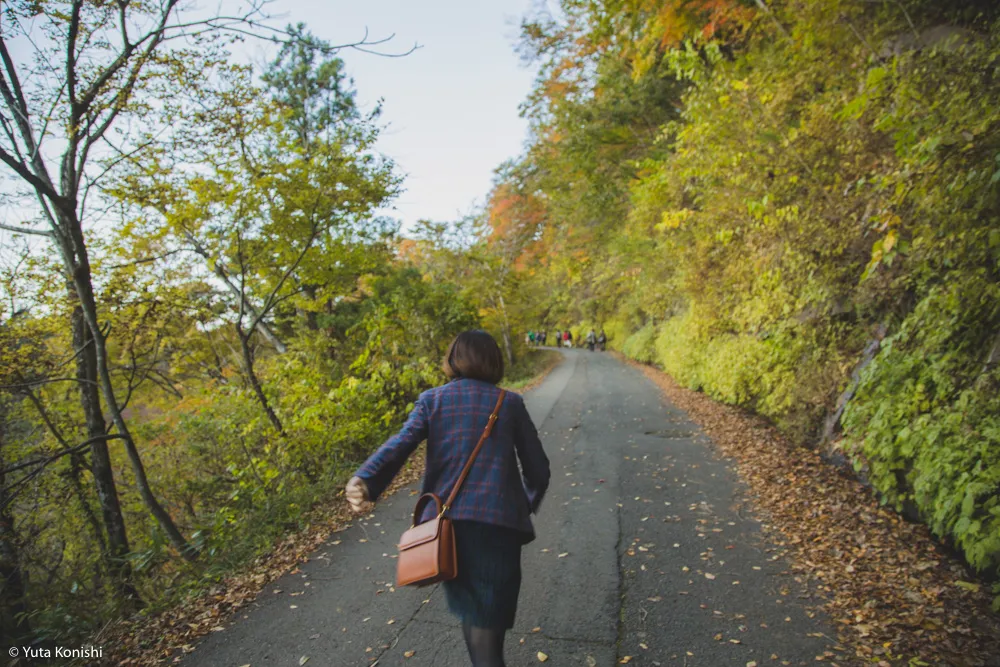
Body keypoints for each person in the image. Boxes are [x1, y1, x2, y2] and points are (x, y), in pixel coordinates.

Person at [345, 330, 550, 667]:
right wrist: (522, 503)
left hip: (448, 530)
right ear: (494, 362)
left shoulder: (433, 400)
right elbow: (538, 469)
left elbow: (401, 442)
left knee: (474, 615)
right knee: (488, 622)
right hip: (499, 529)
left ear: (453, 360)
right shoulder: (509, 403)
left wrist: (366, 479)